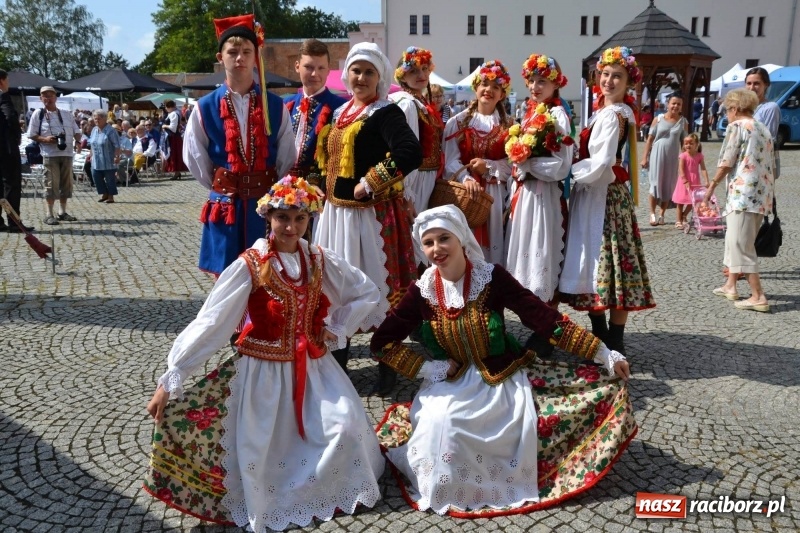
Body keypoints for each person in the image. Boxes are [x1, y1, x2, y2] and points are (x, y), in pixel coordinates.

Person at [144, 176, 385, 531]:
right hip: (263, 376)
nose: (291, 227)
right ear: (268, 218)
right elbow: (212, 321)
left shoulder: (317, 258)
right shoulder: (251, 264)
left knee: (346, 429)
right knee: (262, 453)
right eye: (283, 218)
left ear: (310, 219)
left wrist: (334, 328)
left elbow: (365, 292)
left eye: (300, 218)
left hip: (313, 368)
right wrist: (174, 374)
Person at [370, 205, 635, 517]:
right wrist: (428, 368)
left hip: (501, 376)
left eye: (444, 238)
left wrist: (603, 353)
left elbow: (544, 318)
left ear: (460, 239)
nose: (436, 249)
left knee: (492, 427)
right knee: (439, 425)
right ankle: (445, 487)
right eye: (428, 243)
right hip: (450, 382)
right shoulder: (423, 291)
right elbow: (381, 343)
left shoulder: (491, 278)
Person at [314, 42, 422, 389]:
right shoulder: (341, 112)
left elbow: (410, 151)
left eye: (368, 72)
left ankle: (388, 367)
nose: (361, 78)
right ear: (347, 75)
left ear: (380, 78)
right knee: (336, 288)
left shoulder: (385, 112)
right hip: (335, 216)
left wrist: (371, 181)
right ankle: (338, 364)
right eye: (356, 71)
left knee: (378, 286)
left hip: (369, 218)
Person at [560, 46, 656, 355]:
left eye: (618, 76)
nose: (609, 81)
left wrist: (568, 172)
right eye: (605, 74)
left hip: (604, 196)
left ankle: (612, 339)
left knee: (608, 263)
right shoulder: (608, 111)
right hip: (599, 194)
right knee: (600, 265)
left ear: (629, 82)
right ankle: (603, 336)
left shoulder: (614, 115)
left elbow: (601, 164)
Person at [184, 14, 295, 276]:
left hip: (264, 204)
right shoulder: (204, 107)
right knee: (226, 279)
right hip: (226, 206)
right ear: (220, 57)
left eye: (247, 51)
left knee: (266, 275)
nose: (240, 58)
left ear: (256, 56)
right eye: (232, 52)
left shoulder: (275, 105)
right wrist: (223, 183)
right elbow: (194, 156)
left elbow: (287, 155)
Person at [505, 54, 572, 309]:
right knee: (527, 254)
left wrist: (528, 164)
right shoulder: (530, 112)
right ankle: (536, 317)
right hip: (526, 194)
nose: (535, 86)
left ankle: (547, 321)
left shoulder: (557, 114)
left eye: (542, 81)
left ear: (556, 84)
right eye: (532, 80)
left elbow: (561, 165)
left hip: (545, 195)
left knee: (543, 252)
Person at [707, 88, 775, 313]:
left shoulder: (737, 126)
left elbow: (727, 160)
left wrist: (712, 185)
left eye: (727, 110)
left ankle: (758, 295)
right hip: (760, 194)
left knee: (740, 244)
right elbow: (774, 166)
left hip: (743, 194)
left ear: (735, 109)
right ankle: (731, 285)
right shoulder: (763, 128)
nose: (726, 114)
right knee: (735, 239)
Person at [443, 60, 514, 265]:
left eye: (496, 87)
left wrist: (489, 167)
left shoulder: (510, 125)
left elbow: (513, 164)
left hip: (494, 196)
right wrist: (466, 178)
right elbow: (450, 160)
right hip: (464, 194)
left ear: (502, 94)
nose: (488, 90)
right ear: (476, 87)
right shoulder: (456, 122)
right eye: (484, 83)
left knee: (492, 251)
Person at [390, 46, 445, 264]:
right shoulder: (407, 103)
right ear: (403, 75)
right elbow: (406, 151)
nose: (421, 75)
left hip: (427, 177)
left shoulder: (420, 101)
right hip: (416, 178)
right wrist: (407, 193)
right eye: (413, 71)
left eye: (424, 69)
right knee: (418, 239)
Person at [285, 38, 347, 189]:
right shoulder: (286, 104)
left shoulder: (340, 107)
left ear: (328, 70)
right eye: (308, 67)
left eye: (320, 68)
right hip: (284, 186)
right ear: (297, 66)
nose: (314, 74)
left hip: (320, 189)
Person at [28, 86, 81, 227]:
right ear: (41, 98)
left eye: (51, 95)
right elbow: (31, 134)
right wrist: (45, 139)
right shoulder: (38, 114)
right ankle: (49, 214)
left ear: (56, 97)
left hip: (67, 153)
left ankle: (62, 212)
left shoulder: (67, 114)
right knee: (51, 184)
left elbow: (77, 130)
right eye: (45, 96)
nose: (48, 98)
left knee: (67, 184)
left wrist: (79, 141)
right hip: (50, 154)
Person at [641, 93, 688, 226]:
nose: (675, 106)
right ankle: (652, 213)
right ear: (668, 104)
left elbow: (685, 144)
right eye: (673, 103)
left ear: (681, 106)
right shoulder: (658, 119)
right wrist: (644, 157)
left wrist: (685, 162)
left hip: (672, 158)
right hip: (657, 155)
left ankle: (662, 214)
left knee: (668, 186)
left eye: (678, 104)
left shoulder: (683, 122)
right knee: (655, 185)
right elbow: (650, 139)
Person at [0, 69, 25, 232]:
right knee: (12, 185)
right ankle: (14, 222)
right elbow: (9, 116)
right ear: (2, 81)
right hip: (6, 148)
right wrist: (17, 134)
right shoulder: (2, 96)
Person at [746, 67, 781, 179]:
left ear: (765, 85)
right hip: (742, 162)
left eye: (756, 83)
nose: (751, 87)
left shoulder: (770, 108)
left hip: (760, 165)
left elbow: (769, 139)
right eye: (749, 83)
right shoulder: (743, 108)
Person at [672, 133, 709, 229]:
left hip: (695, 181)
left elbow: (703, 169)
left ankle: (684, 215)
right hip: (683, 181)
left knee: (693, 201)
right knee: (680, 202)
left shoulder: (699, 156)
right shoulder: (683, 156)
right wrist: (685, 180)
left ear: (696, 144)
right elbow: (680, 169)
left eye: (691, 143)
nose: (688, 145)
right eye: (686, 143)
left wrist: (707, 180)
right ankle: (678, 220)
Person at [89, 109, 121, 203]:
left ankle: (111, 196)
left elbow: (117, 145)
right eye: (95, 119)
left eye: (98, 119)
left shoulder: (111, 131)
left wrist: (117, 156)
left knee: (109, 179)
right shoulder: (94, 130)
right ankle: (104, 193)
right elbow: (92, 143)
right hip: (96, 159)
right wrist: (90, 155)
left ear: (105, 119)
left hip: (108, 159)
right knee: (96, 176)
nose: (96, 121)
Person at [161, 99, 188, 180]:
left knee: (175, 154)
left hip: (174, 137)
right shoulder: (172, 114)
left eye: (166, 107)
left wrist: (164, 126)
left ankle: (177, 172)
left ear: (169, 106)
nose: (165, 108)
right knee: (174, 154)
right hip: (172, 137)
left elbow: (173, 128)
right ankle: (177, 172)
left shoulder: (174, 114)